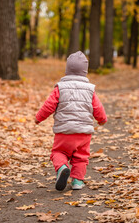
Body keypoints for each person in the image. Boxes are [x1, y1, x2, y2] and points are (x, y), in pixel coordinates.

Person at [35, 51, 107, 191]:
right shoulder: (90, 90)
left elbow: (49, 105)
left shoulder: (60, 88)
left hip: (64, 131)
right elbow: (97, 107)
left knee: (58, 153)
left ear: (67, 70)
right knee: (81, 157)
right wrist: (102, 119)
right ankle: (77, 182)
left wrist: (39, 117)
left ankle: (62, 167)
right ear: (85, 72)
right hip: (83, 133)